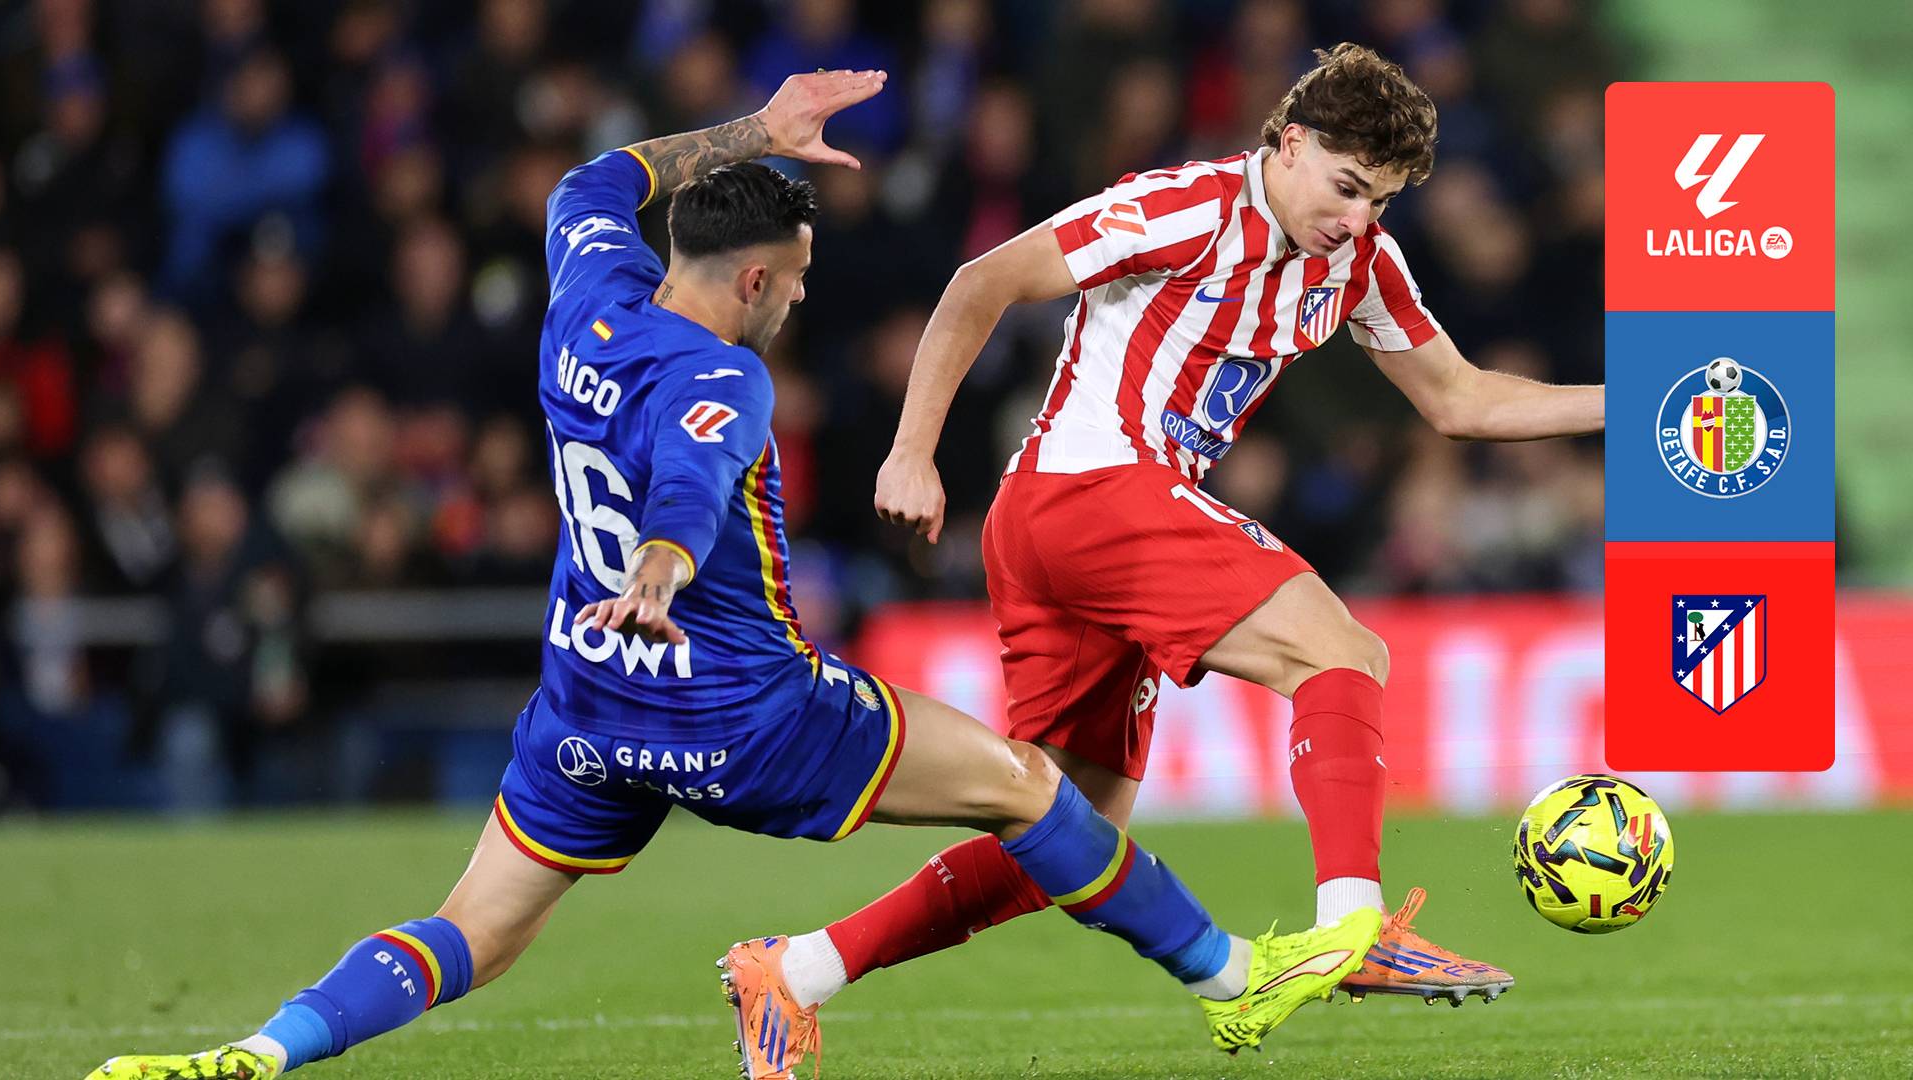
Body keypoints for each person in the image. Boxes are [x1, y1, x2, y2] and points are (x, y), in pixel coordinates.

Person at [83, 71, 1383, 1080]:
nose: (799, 302)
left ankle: (257, 1055)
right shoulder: (728, 377)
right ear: (756, 277)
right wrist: (662, 561)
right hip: (748, 715)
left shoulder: (586, 285)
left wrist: (758, 132)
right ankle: (1234, 980)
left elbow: (595, 178)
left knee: (470, 931)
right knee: (1029, 787)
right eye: (797, 283)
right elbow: (690, 487)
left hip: (589, 706)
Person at [759, 42, 1605, 1029]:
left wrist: (1628, 405)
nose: (1356, 218)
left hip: (1069, 523)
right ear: (1290, 144)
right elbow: (980, 282)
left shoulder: (1362, 260)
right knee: (1341, 651)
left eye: (1379, 200)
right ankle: (1354, 926)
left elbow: (1460, 399)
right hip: (1092, 488)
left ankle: (798, 971)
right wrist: (912, 452)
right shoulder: (1184, 207)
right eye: (1345, 187)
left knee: (1064, 829)